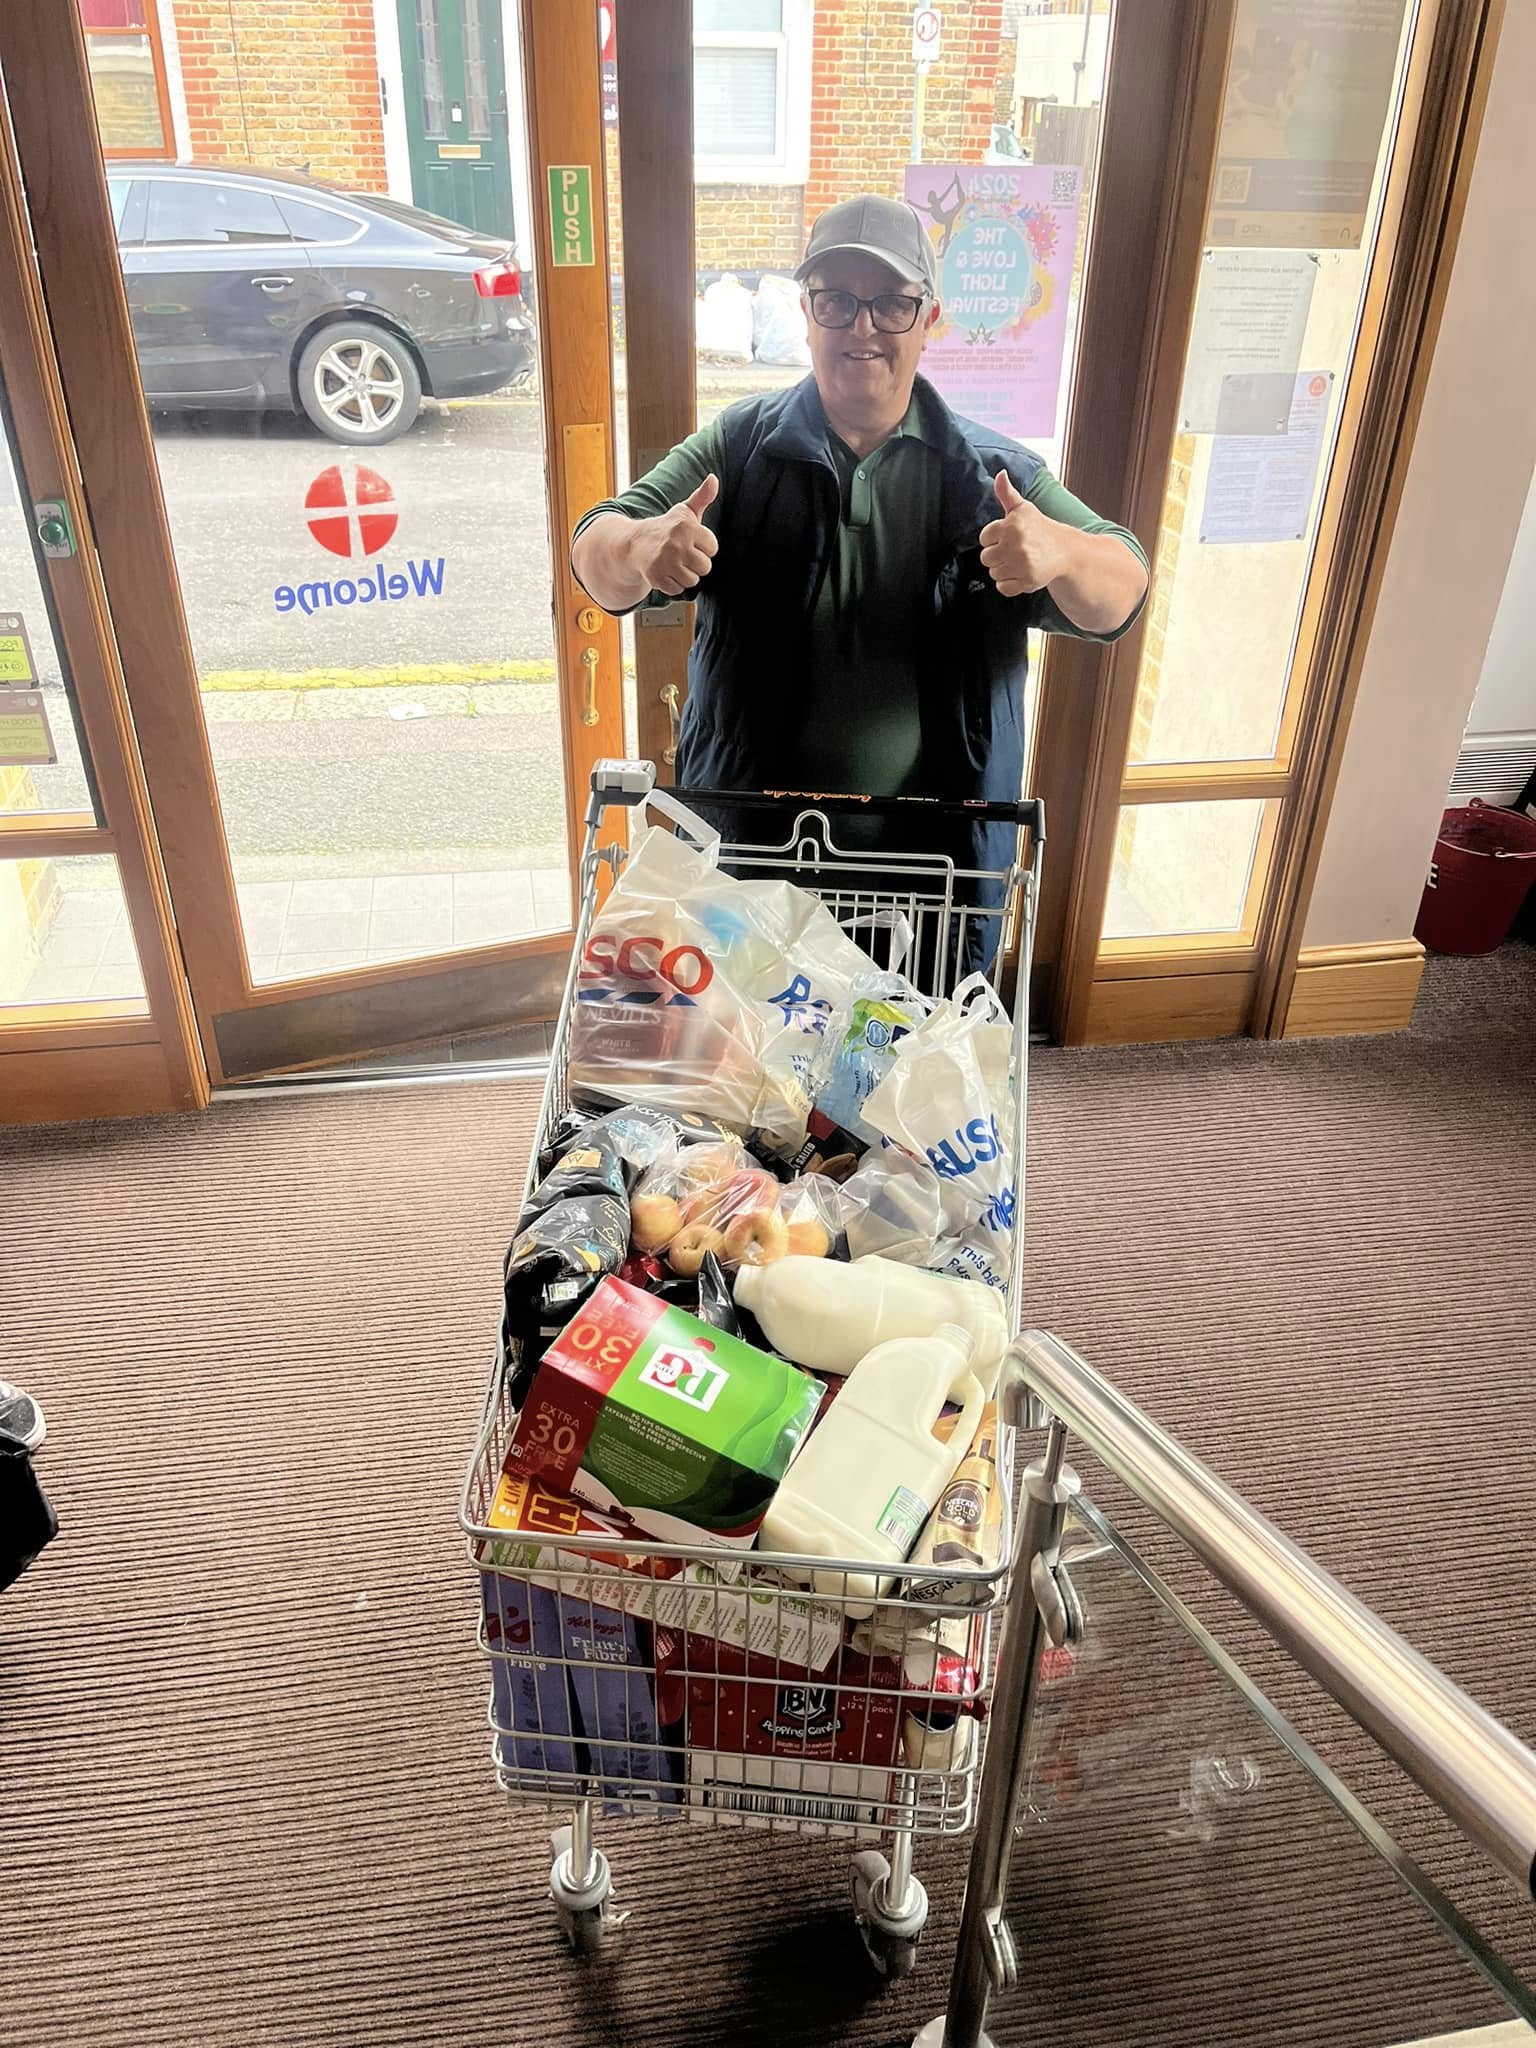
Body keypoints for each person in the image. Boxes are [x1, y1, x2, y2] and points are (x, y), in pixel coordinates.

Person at [572, 194, 1148, 963]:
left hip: (935, 877)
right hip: (754, 868)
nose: (862, 328)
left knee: (916, 1072)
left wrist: (1064, 555)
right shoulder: (739, 449)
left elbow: (1126, 586)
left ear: (929, 317)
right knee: (754, 1078)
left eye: (890, 304)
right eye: (836, 301)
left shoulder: (993, 475)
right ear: (807, 315)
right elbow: (594, 553)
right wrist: (643, 548)